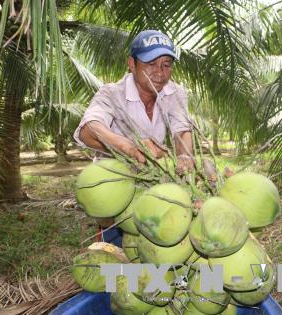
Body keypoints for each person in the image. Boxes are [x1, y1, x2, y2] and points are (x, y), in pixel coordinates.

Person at [73, 30, 194, 229]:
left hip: (153, 180)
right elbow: (89, 129)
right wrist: (130, 148)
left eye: (166, 65)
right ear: (132, 64)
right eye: (151, 63)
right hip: (112, 186)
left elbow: (182, 131)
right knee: (115, 249)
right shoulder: (112, 93)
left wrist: (185, 158)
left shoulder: (175, 93)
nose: (160, 72)